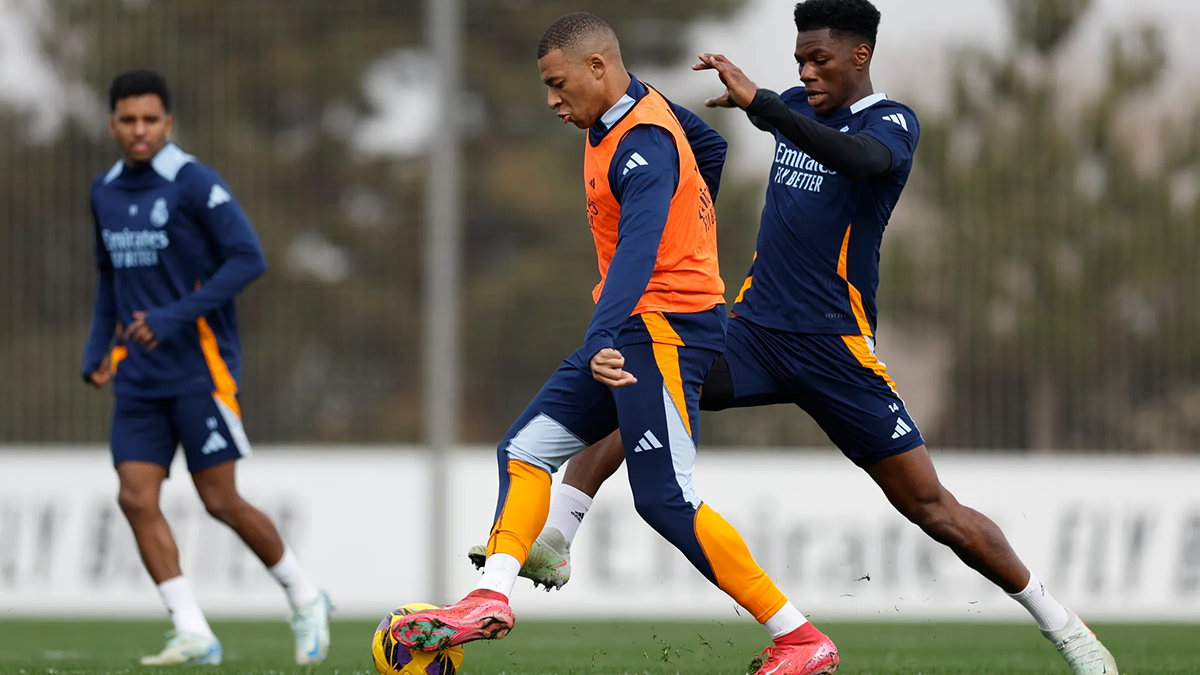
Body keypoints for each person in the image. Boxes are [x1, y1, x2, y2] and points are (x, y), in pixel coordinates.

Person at [470, 2, 1120, 674]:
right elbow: (707, 151)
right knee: (644, 370)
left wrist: (768, 108)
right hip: (751, 334)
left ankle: (1065, 626)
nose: (807, 73)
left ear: (860, 56)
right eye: (799, 62)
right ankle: (560, 531)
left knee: (932, 506)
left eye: (821, 60)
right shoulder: (789, 107)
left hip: (837, 351)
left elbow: (858, 159)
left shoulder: (890, 124)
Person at [395, 12, 839, 675]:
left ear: (597, 68)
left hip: (662, 330)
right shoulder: (635, 114)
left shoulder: (644, 144)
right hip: (635, 322)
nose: (551, 101)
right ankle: (490, 597)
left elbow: (636, 248)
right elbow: (711, 154)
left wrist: (610, 321)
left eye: (556, 84)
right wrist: (687, 232)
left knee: (664, 499)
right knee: (525, 448)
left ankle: (800, 637)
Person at [82, 69, 331, 667]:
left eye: (150, 120)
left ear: (167, 123)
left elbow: (248, 259)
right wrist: (98, 350)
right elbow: (109, 281)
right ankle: (192, 628)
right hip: (139, 377)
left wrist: (170, 317)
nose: (139, 131)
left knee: (221, 501)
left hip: (199, 368)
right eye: (127, 120)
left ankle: (304, 596)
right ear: (113, 123)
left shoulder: (193, 183)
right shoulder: (105, 191)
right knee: (135, 498)